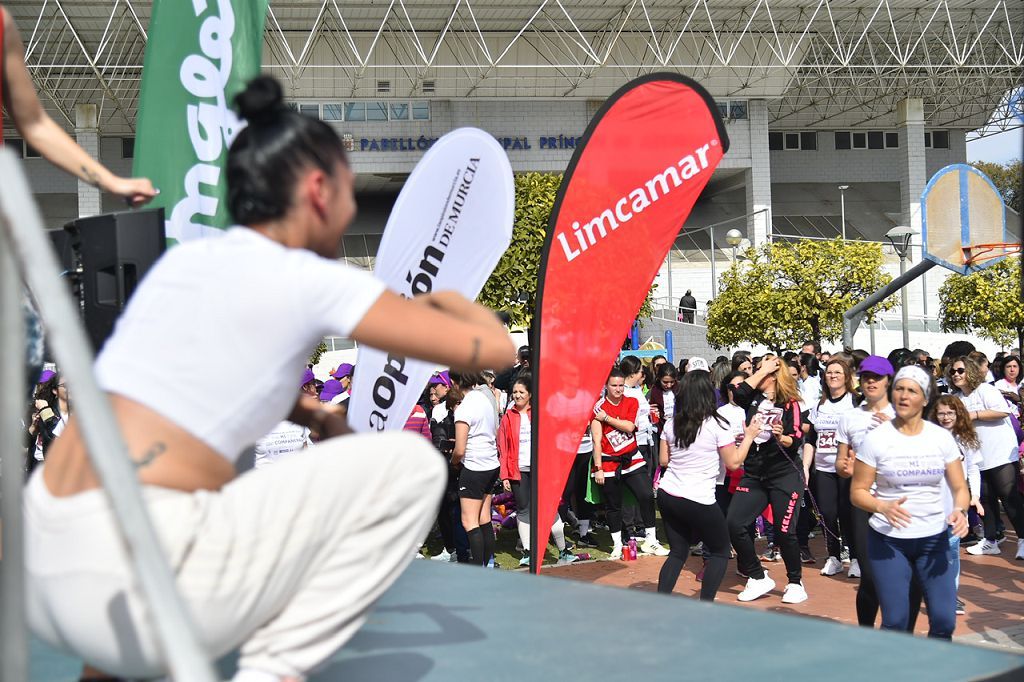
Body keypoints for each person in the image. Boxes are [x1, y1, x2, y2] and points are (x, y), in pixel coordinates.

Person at [24, 76, 514, 682]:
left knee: (173, 507)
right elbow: (492, 348)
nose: (351, 204)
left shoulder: (184, 267)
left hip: (43, 562)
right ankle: (273, 671)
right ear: (316, 190)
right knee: (412, 469)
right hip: (140, 580)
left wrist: (311, 413)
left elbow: (207, 381)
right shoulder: (313, 281)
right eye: (346, 188)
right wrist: (442, 297)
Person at [850, 366, 970, 640]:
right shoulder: (876, 438)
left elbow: (960, 487)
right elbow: (857, 491)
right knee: (896, 620)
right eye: (899, 389)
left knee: (943, 619)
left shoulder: (940, 438)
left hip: (934, 538)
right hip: (888, 540)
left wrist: (960, 510)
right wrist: (882, 506)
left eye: (912, 391)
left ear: (925, 398)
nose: (903, 396)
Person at [657, 370, 759, 600]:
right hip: (698, 497)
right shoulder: (716, 424)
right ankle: (705, 605)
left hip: (668, 492)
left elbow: (664, 460)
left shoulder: (672, 423)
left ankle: (660, 601)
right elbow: (733, 463)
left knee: (677, 552)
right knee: (721, 551)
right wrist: (750, 436)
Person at [725, 354, 808, 604]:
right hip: (755, 474)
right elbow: (738, 392)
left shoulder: (789, 402)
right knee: (734, 523)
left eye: (760, 370)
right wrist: (762, 371)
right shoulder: (753, 397)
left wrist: (782, 437)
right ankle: (758, 576)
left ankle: (795, 582)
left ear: (774, 375)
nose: (755, 374)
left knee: (785, 532)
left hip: (784, 474)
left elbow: (796, 439)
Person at [947, 356, 1024, 559]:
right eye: (953, 371)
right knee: (985, 499)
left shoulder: (986, 390)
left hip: (1000, 453)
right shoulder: (956, 398)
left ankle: (1023, 539)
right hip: (977, 456)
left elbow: (1002, 411)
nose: (956, 374)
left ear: (970, 371)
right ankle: (990, 540)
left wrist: (973, 415)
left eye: (960, 370)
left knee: (1009, 497)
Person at [498, 374, 576, 567]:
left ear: (530, 394)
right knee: (523, 510)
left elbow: (552, 440)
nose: (517, 395)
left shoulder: (541, 413)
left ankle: (563, 550)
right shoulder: (508, 417)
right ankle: (528, 552)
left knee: (549, 509)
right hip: (518, 470)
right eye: (514, 392)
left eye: (521, 392)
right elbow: (503, 446)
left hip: (542, 470)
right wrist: (505, 474)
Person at [591, 368, 669, 559]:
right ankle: (617, 544)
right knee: (613, 505)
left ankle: (651, 540)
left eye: (620, 386)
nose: (618, 389)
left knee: (646, 495)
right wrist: (598, 468)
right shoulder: (597, 408)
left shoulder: (631, 401)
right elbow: (596, 439)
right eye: (614, 386)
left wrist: (607, 419)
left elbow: (629, 426)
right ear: (606, 387)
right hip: (609, 463)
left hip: (632, 457)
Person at [804, 358, 859, 578]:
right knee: (827, 513)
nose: (833, 376)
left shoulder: (855, 402)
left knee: (848, 514)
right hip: (824, 468)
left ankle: (855, 558)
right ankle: (834, 557)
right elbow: (811, 438)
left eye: (837, 372)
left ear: (846, 376)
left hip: (848, 468)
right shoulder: (819, 405)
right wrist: (806, 467)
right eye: (829, 373)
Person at [930, 395, 984, 616]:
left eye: (950, 413)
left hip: (956, 505)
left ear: (958, 414)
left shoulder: (966, 439)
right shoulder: (928, 437)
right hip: (933, 504)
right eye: (941, 413)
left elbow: (973, 470)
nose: (945, 417)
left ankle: (950, 595)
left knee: (952, 551)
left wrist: (975, 497)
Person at [450, 370, 502, 567]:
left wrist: (453, 462)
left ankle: (478, 572)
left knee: (469, 521)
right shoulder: (483, 398)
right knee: (484, 518)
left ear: (455, 383)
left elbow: (460, 450)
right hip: (491, 464)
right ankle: (488, 565)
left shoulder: (463, 409)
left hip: (474, 467)